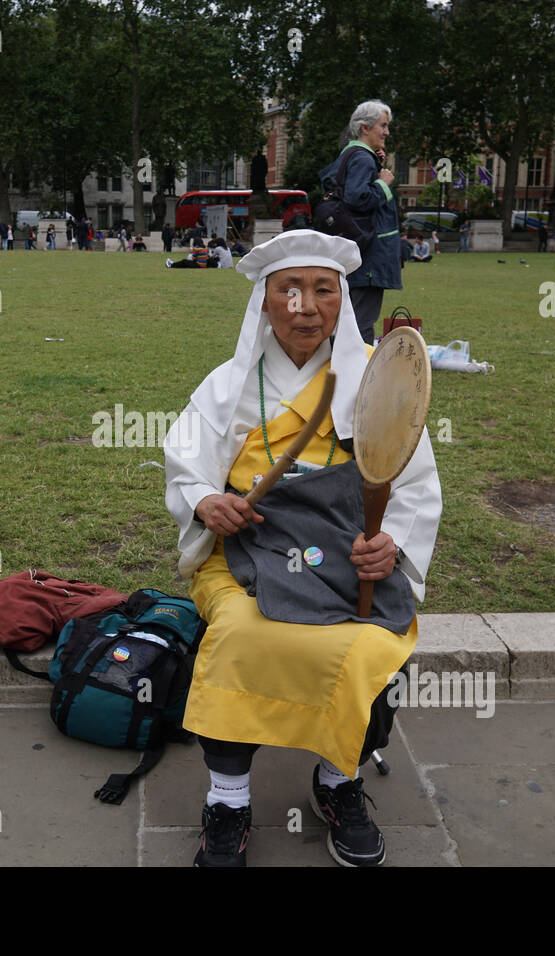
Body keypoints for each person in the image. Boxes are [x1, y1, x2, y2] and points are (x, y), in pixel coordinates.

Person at [163, 230, 441, 867]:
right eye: (289, 289)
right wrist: (209, 502)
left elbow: (415, 482)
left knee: (370, 642)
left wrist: (390, 543)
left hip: (344, 553)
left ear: (343, 301)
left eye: (323, 290)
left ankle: (338, 780)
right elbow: (186, 466)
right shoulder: (227, 385)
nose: (306, 306)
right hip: (247, 548)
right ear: (265, 301)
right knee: (239, 630)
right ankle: (228, 798)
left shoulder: (379, 379)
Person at [319, 100, 401, 344]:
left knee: (350, 316)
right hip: (370, 255)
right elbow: (359, 197)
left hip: (357, 250)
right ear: (365, 128)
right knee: (361, 321)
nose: (386, 132)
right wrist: (383, 183)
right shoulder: (362, 159)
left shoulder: (352, 156)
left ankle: (339, 370)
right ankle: (357, 376)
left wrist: (376, 168)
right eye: (383, 126)